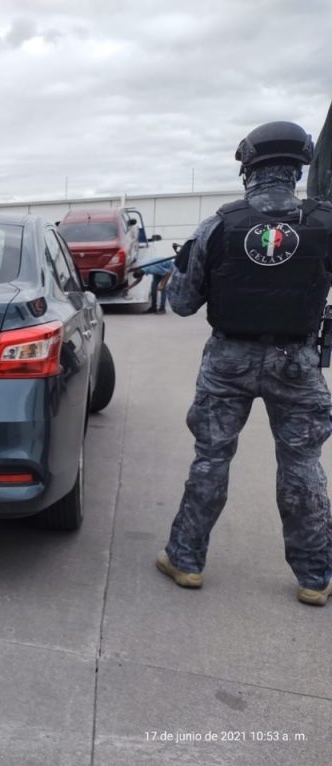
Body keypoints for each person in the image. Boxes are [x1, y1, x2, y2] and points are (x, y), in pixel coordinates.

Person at [156, 121, 332, 605]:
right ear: (299, 166)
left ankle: (186, 560)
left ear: (248, 166)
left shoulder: (218, 224)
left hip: (228, 362)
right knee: (302, 465)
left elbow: (181, 302)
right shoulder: (325, 222)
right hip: (296, 362)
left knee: (211, 459)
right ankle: (315, 578)